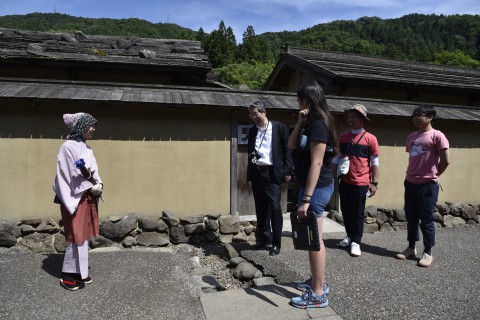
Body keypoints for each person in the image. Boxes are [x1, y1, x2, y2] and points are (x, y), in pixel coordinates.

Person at [288, 81, 337, 309]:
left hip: (315, 190)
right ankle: (319, 282)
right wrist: (299, 122)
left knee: (313, 240)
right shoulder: (310, 123)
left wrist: (306, 199)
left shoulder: (319, 125)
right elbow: (290, 145)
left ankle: (318, 294)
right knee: (312, 239)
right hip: (310, 187)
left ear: (307, 100)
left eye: (300, 99)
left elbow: (317, 163)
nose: (298, 103)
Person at [53, 112, 104, 290]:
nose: (93, 129)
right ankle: (67, 274)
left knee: (84, 234)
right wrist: (89, 186)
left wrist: (98, 184)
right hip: (75, 196)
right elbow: (67, 174)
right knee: (76, 234)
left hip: (87, 194)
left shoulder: (87, 148)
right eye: (90, 125)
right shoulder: (68, 147)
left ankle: (79, 272)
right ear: (81, 126)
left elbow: (93, 170)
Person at [396, 105, 449, 267]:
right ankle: (411, 248)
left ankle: (428, 252)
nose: (416, 118)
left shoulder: (437, 135)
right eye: (414, 115)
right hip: (410, 181)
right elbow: (414, 158)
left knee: (426, 219)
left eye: (420, 115)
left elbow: (446, 161)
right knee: (411, 217)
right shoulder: (412, 136)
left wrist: (434, 175)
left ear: (430, 117)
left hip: (428, 184)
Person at [246, 101, 293, 256]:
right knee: (260, 208)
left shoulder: (279, 127)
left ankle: (276, 243)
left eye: (255, 113)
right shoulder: (253, 131)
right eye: (251, 114)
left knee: (274, 208)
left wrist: (288, 170)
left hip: (272, 173)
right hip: (257, 172)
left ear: (264, 112)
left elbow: (287, 150)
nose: (253, 117)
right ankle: (264, 238)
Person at [333, 104, 380, 257]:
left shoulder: (370, 138)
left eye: (354, 117)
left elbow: (374, 162)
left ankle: (356, 242)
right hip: (345, 180)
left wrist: (374, 183)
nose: (350, 119)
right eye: (349, 116)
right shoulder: (343, 137)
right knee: (346, 211)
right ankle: (349, 236)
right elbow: (337, 157)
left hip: (361, 182)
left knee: (358, 213)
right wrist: (330, 174)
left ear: (362, 119)